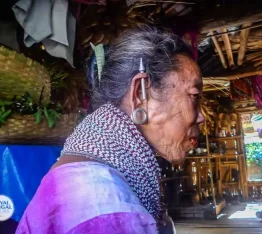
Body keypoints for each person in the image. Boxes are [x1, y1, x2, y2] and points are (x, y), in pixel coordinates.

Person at [15, 25, 204, 233]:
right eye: (194, 96)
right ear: (140, 95)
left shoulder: (84, 173)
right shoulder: (106, 206)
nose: (202, 117)